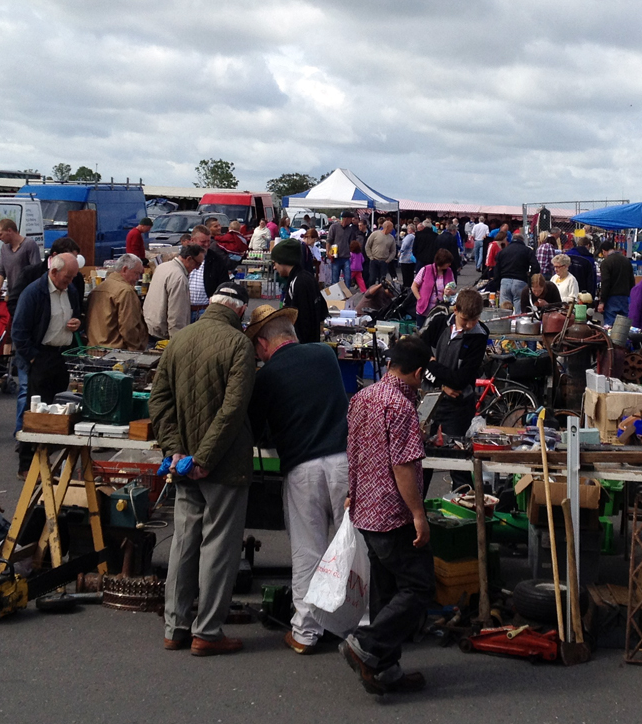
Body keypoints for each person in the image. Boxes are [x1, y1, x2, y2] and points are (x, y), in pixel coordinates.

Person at [149, 281, 255, 657]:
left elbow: (158, 400)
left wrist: (176, 451)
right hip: (221, 464)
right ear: (239, 311)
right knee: (218, 546)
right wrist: (206, 458)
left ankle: (174, 626)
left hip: (183, 461)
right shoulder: (239, 344)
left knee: (183, 541)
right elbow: (233, 409)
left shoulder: (179, 340)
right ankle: (207, 631)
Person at [245, 305, 349, 653]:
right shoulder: (324, 354)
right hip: (344, 459)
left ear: (262, 344)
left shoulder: (266, 377)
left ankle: (305, 632)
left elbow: (257, 430)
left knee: (309, 550)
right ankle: (358, 628)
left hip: (302, 467)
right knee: (351, 547)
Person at [340, 336, 436, 695]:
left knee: (385, 588)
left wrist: (353, 491)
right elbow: (403, 466)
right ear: (418, 371)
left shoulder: (363, 397)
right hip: (391, 513)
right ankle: (368, 644)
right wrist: (418, 514)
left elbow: (353, 450)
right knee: (419, 585)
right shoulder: (400, 406)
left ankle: (385, 669)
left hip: (365, 508)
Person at [12, 252, 82, 476]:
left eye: (72, 278)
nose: (70, 282)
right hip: (41, 356)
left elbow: (78, 316)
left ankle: (49, 461)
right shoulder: (33, 292)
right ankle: (25, 464)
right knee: (36, 413)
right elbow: (19, 331)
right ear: (53, 272)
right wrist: (33, 358)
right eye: (67, 277)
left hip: (62, 356)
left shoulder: (70, 291)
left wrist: (77, 323)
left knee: (59, 411)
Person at [420, 289, 488, 488]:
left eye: (474, 320)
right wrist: (441, 384)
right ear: (456, 310)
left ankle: (461, 508)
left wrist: (431, 364)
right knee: (423, 461)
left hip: (458, 406)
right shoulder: (440, 322)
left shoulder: (479, 336)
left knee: (458, 461)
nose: (469, 325)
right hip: (430, 400)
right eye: (465, 320)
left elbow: (460, 380)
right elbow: (419, 355)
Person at [270, 238, 327, 344]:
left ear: (283, 261)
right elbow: (323, 310)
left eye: (275, 263)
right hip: (312, 343)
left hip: (302, 347)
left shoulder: (297, 283)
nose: (274, 267)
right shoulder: (308, 277)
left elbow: (300, 321)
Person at [87, 253, 149, 350]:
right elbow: (129, 327)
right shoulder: (126, 291)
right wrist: (136, 348)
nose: (138, 278)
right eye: (136, 273)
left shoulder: (99, 288)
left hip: (95, 349)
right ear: (124, 269)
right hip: (116, 352)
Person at [143, 243, 205, 340]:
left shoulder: (162, 267)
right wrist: (177, 343)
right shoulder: (179, 277)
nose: (197, 268)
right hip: (162, 335)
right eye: (198, 264)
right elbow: (176, 317)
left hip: (150, 328)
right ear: (188, 259)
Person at [0, 218, 42, 311]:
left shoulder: (29, 245)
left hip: (27, 295)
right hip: (11, 295)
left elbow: (36, 271)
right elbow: (0, 271)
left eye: (0, 234)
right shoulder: (4, 248)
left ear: (9, 231)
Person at [494, 233, 541, 312]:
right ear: (522, 240)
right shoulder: (527, 251)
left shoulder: (503, 251)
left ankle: (505, 323)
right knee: (519, 309)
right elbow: (536, 267)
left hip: (505, 280)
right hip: (520, 281)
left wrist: (497, 284)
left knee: (504, 309)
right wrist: (529, 278)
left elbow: (497, 269)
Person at [411, 248, 455, 327]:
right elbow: (414, 286)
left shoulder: (449, 272)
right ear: (442, 262)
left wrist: (451, 292)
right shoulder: (425, 269)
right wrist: (420, 299)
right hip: (424, 309)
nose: (450, 264)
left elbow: (454, 288)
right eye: (447, 262)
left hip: (440, 310)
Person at [596, 239, 635, 325]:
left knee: (610, 326)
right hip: (625, 297)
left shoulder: (606, 263)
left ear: (603, 251)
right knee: (624, 326)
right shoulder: (626, 261)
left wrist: (602, 302)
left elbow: (605, 283)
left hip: (612, 298)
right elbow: (632, 281)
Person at [327, 211, 358, 288]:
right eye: (351, 219)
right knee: (335, 279)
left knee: (347, 278)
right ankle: (335, 296)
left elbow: (352, 243)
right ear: (346, 219)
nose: (351, 220)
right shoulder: (334, 227)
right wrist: (328, 252)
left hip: (346, 257)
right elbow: (329, 241)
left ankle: (347, 294)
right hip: (335, 257)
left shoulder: (350, 230)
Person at [365, 220, 396, 287]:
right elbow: (367, 246)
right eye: (391, 227)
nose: (392, 229)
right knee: (372, 279)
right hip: (374, 260)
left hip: (384, 261)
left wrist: (389, 260)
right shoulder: (375, 234)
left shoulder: (391, 238)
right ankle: (370, 293)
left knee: (382, 280)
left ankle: (380, 294)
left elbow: (393, 251)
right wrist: (371, 257)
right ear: (387, 227)